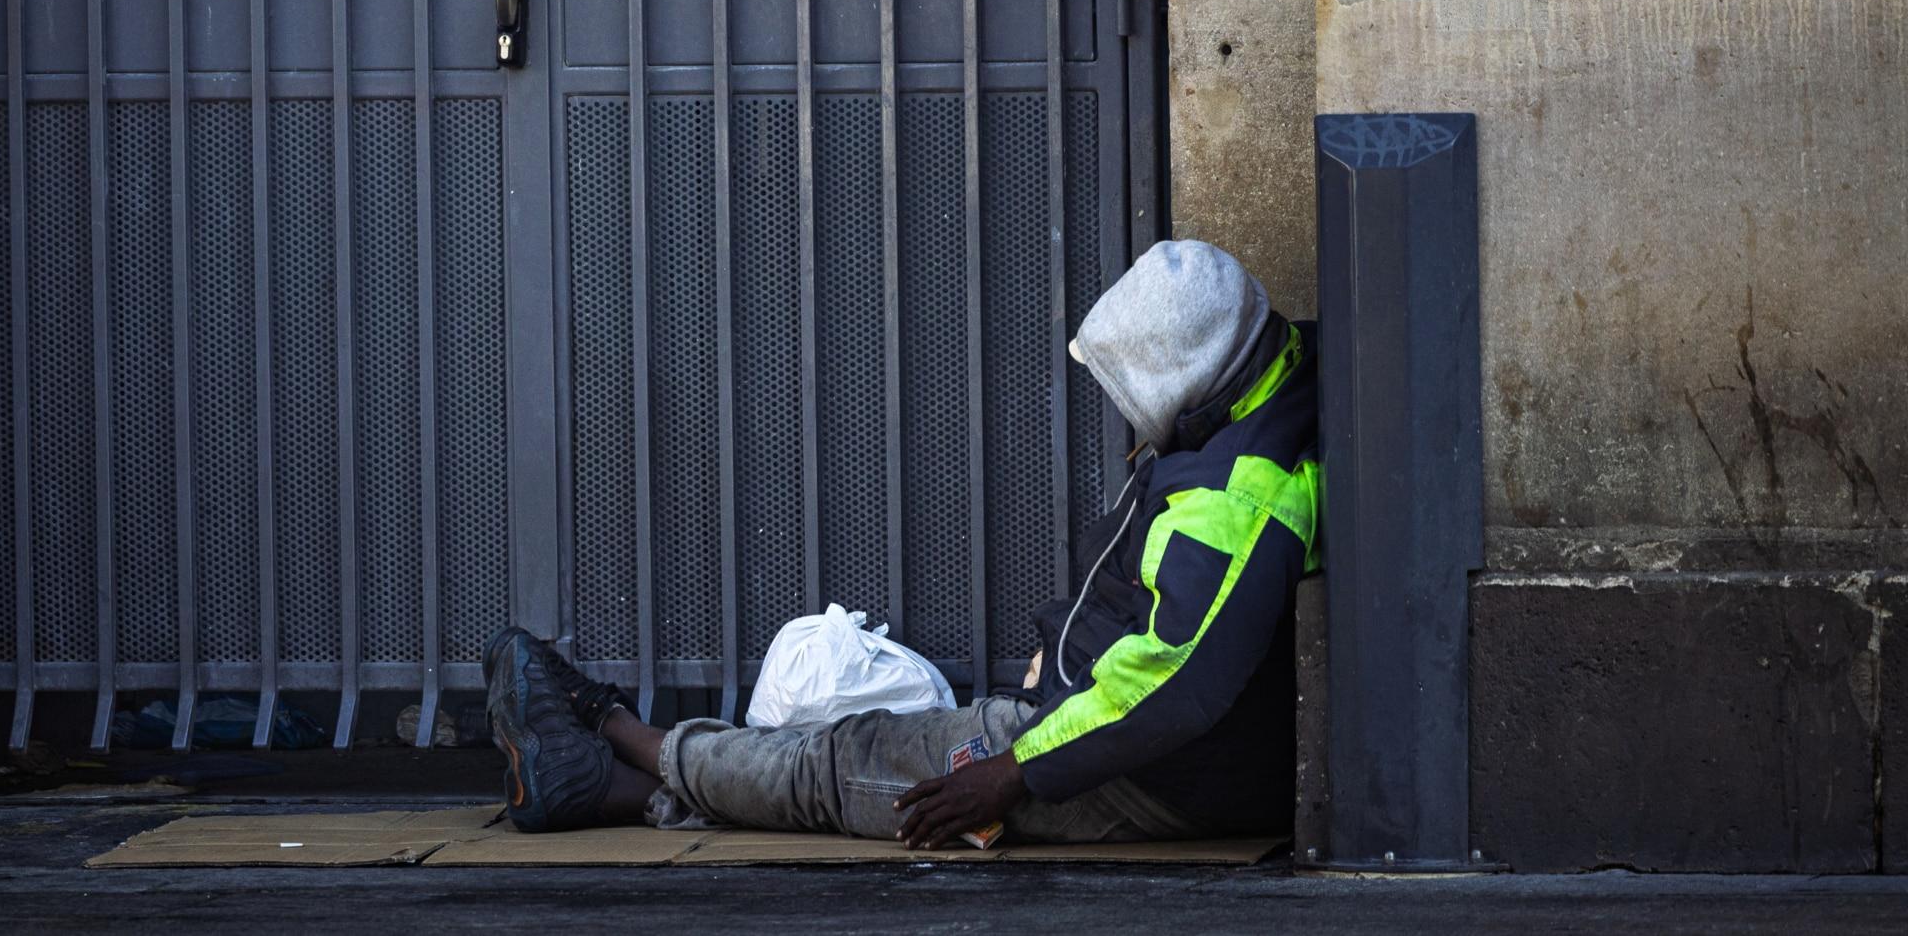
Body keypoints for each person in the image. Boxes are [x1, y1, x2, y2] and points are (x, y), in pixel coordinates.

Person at [483, 239, 1321, 848]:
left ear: (1192, 381)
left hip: (1139, 772)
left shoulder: (1237, 495)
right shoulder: (1270, 400)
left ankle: (616, 728)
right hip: (1127, 745)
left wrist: (1015, 769)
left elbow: (1172, 685)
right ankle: (598, 788)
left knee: (852, 762)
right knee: (867, 763)